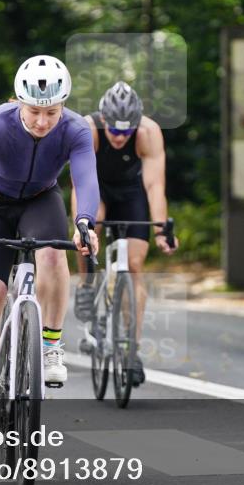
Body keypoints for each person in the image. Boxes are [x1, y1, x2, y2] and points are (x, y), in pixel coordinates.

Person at [0, 55, 100, 452]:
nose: (42, 121)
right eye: (34, 111)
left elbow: (86, 179)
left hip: (40, 200)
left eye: (51, 112)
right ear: (18, 102)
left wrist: (86, 222)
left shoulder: (75, 129)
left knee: (54, 253)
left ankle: (51, 343)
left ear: (64, 105)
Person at [71, 81, 178, 387]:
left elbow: (155, 186)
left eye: (126, 131)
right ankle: (87, 285)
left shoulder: (148, 132)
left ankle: (131, 349)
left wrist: (160, 230)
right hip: (97, 190)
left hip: (131, 194)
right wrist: (84, 225)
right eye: (114, 131)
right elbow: (80, 184)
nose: (119, 137)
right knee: (93, 225)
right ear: (103, 120)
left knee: (134, 265)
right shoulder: (88, 129)